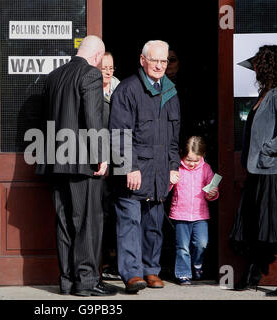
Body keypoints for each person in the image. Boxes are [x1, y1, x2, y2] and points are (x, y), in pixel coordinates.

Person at [35, 35, 116, 297]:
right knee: (87, 222)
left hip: (55, 162)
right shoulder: (90, 75)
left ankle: (68, 281)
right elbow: (93, 120)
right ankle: (87, 281)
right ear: (97, 57)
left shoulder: (54, 76)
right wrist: (101, 157)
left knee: (64, 222)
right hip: (82, 164)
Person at [109, 40, 181, 293]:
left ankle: (151, 269)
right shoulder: (128, 89)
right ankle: (132, 273)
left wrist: (174, 166)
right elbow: (119, 133)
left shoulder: (170, 90)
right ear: (142, 60)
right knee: (129, 222)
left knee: (153, 223)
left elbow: (174, 135)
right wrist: (129, 166)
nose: (160, 66)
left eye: (164, 61)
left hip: (160, 171)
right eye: (155, 61)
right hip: (134, 170)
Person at [229, 45, 277, 297]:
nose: (254, 69)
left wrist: (266, 149)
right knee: (254, 225)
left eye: (257, 64)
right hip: (259, 172)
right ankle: (252, 273)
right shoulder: (265, 94)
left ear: (267, 66)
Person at [169, 136, 219, 285]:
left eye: (195, 160)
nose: (191, 163)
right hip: (180, 213)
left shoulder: (206, 168)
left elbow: (212, 188)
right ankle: (183, 274)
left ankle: (197, 264)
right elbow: (166, 190)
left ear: (202, 156)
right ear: (182, 154)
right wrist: (170, 182)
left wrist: (212, 193)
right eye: (188, 159)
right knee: (182, 247)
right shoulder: (176, 167)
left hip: (200, 214)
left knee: (201, 243)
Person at [98, 52, 121, 280]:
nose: (108, 71)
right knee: (101, 213)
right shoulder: (91, 90)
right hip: (99, 163)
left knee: (116, 212)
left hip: (117, 161)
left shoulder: (120, 91)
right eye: (104, 67)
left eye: (111, 67)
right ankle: (102, 259)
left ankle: (115, 260)